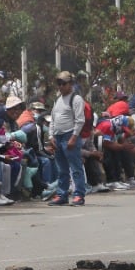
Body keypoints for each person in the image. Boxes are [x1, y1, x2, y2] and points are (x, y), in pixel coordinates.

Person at [49, 70, 89, 206]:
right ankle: (62, 194)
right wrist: (51, 136)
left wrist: (73, 137)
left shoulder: (76, 99)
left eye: (63, 83)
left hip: (69, 135)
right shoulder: (58, 100)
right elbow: (53, 119)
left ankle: (79, 195)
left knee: (75, 167)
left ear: (70, 84)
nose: (60, 86)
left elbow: (80, 120)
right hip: (58, 137)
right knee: (62, 169)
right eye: (58, 83)